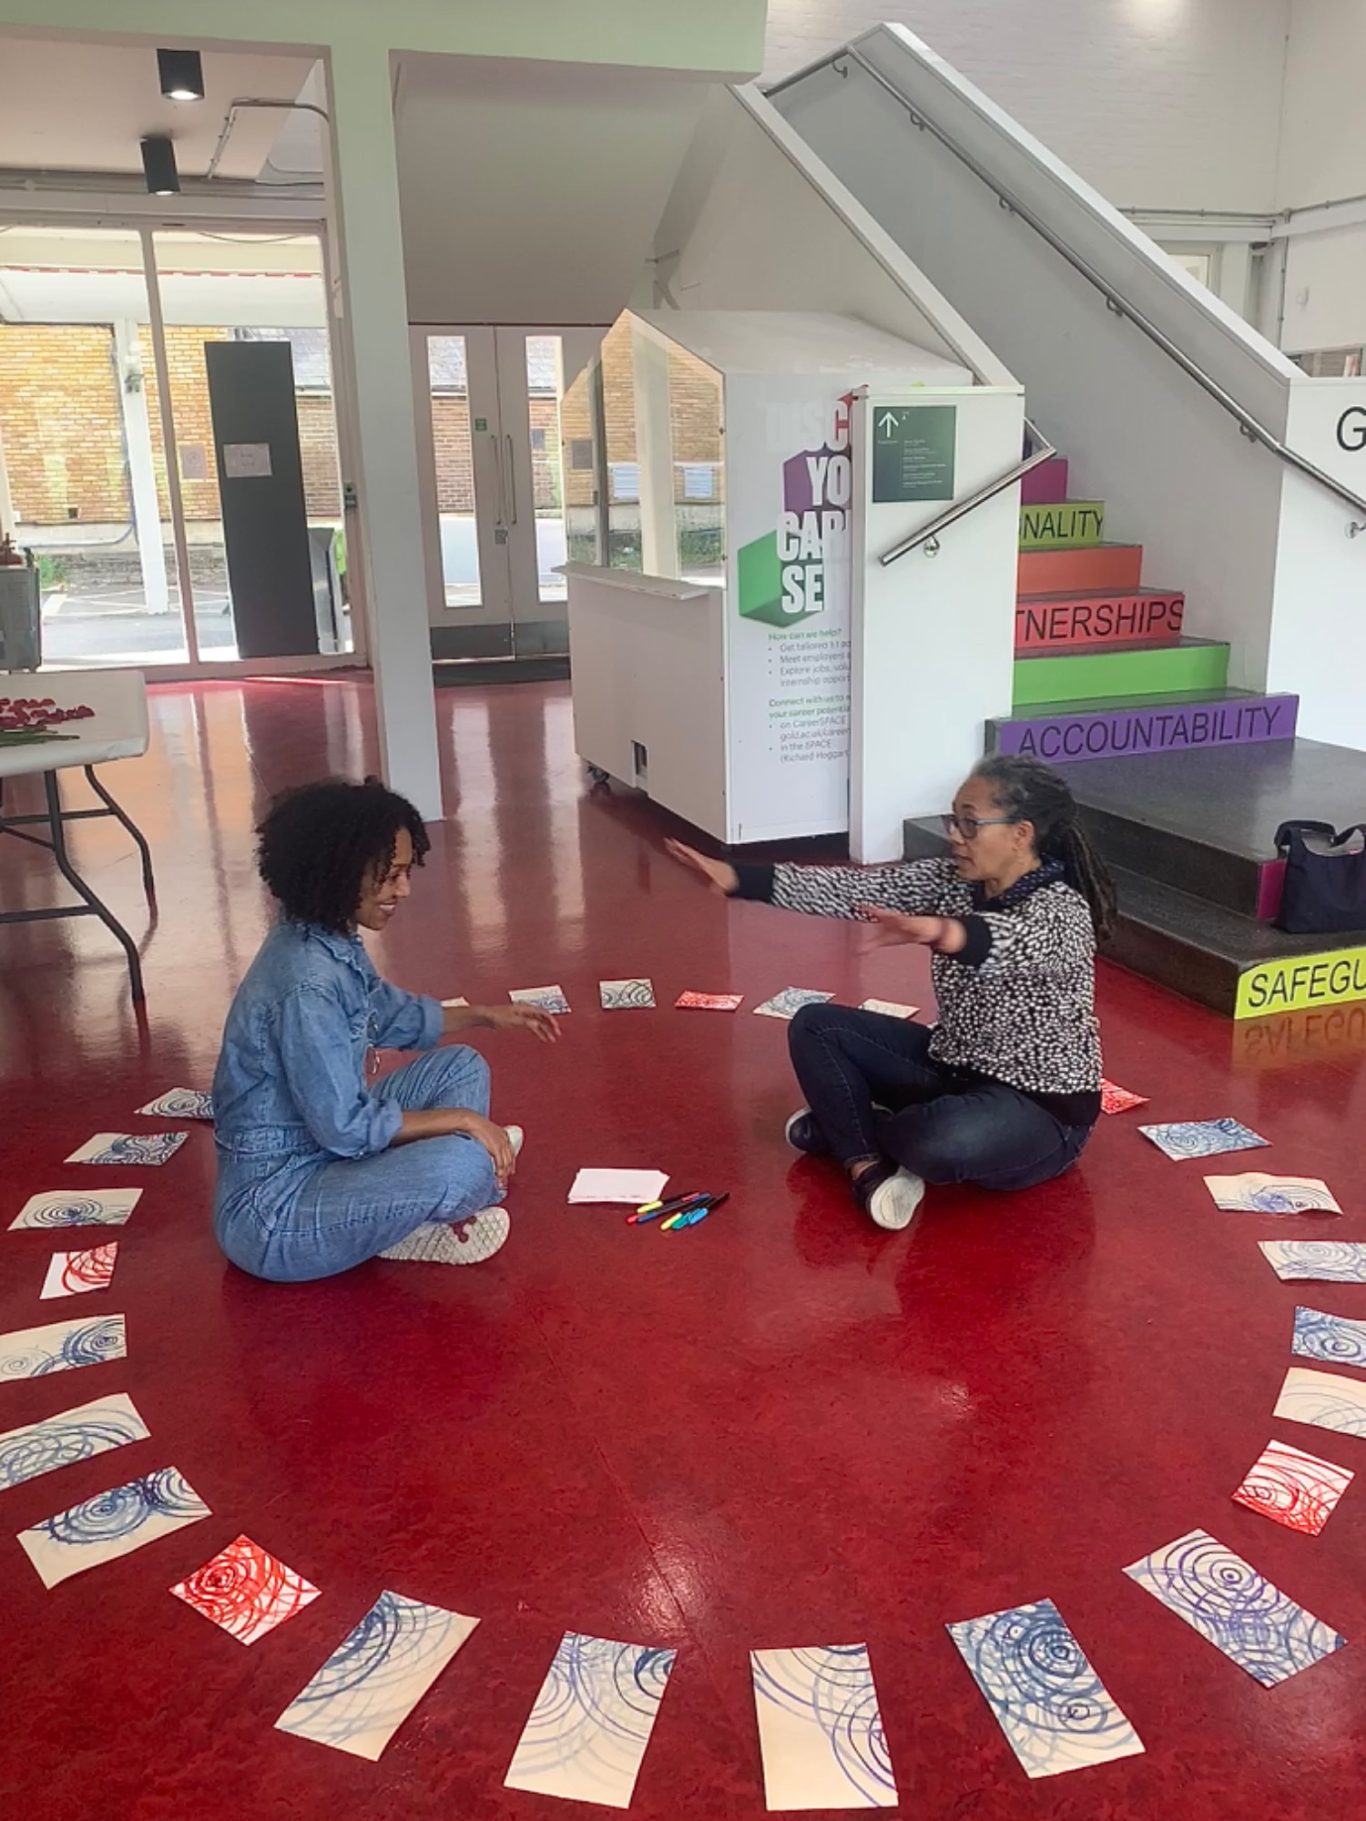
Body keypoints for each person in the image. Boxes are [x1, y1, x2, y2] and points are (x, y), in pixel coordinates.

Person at [667, 752, 1113, 1233]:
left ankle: (851, 1126)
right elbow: (849, 889)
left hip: (1041, 1108)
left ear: (1021, 834)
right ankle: (865, 1165)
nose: (955, 836)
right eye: (953, 820)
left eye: (970, 824)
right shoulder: (951, 880)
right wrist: (740, 878)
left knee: (934, 1143)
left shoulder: (1062, 912)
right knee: (817, 1026)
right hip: (951, 1066)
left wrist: (942, 931)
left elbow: (1005, 942)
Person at [212, 777, 558, 1282]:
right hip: (275, 1215)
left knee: (463, 1065)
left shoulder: (323, 933)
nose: (404, 889)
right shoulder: (307, 986)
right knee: (462, 1169)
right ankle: (425, 1200)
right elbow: (345, 1127)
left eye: (406, 872)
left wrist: (485, 1016)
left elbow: (384, 1012)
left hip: (323, 1155)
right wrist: (463, 1120)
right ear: (339, 871)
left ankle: (405, 1200)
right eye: (390, 875)